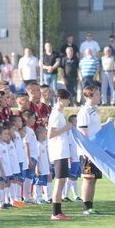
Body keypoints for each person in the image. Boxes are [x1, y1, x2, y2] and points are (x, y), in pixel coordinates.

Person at [77, 85, 104, 215]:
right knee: (88, 178)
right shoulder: (85, 111)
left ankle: (91, 206)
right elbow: (83, 132)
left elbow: (96, 129)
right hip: (87, 151)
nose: (100, 96)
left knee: (94, 178)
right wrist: (88, 150)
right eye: (97, 94)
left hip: (96, 150)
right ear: (89, 96)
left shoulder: (95, 110)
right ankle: (86, 207)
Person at [47, 89, 73, 220]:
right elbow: (51, 134)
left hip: (62, 151)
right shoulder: (56, 114)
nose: (69, 101)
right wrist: (66, 128)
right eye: (67, 99)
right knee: (59, 181)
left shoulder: (59, 114)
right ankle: (55, 212)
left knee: (61, 181)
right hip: (58, 151)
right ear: (60, 99)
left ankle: (58, 211)